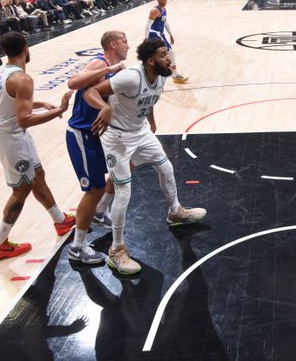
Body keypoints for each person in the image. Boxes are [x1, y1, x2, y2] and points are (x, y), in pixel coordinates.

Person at [84, 38, 206, 275]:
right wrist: (104, 107)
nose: (169, 59)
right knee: (124, 190)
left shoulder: (160, 75)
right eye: (163, 55)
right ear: (150, 60)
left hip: (139, 131)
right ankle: (116, 250)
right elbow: (90, 90)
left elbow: (148, 99)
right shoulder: (130, 76)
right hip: (117, 137)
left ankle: (175, 212)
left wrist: (150, 121)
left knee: (166, 168)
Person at [0, 32, 76, 260]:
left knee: (38, 175)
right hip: (9, 137)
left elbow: (11, 101)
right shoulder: (23, 79)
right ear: (26, 48)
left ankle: (60, 221)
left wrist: (41, 103)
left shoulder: (2, 71)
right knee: (21, 189)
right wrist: (59, 110)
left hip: (9, 133)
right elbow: (24, 119)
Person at [65, 31, 128, 264]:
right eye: (124, 41)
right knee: (93, 190)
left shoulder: (118, 68)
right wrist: (108, 70)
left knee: (118, 171)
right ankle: (77, 247)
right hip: (82, 134)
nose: (128, 46)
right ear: (112, 44)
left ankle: (100, 213)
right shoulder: (99, 62)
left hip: (99, 134)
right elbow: (74, 84)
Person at [145, 0, 188, 84]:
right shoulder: (155, 10)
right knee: (170, 53)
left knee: (157, 56)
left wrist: (171, 34)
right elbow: (148, 24)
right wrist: (146, 38)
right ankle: (174, 75)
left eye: (165, 0)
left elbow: (165, 22)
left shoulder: (164, 9)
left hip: (160, 34)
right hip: (154, 34)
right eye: (162, 0)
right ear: (157, 0)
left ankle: (156, 75)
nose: (164, 1)